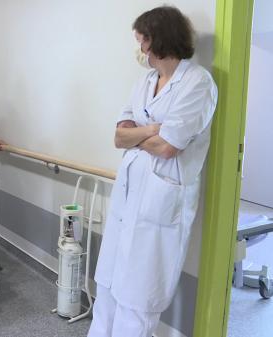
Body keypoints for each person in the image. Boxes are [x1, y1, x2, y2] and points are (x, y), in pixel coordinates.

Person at [88, 6, 218, 337]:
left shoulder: (197, 83)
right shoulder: (146, 80)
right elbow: (119, 136)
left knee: (138, 299)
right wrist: (154, 129)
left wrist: (142, 134)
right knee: (109, 287)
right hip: (129, 196)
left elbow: (168, 147)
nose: (139, 48)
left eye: (141, 39)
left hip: (160, 203)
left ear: (156, 40)